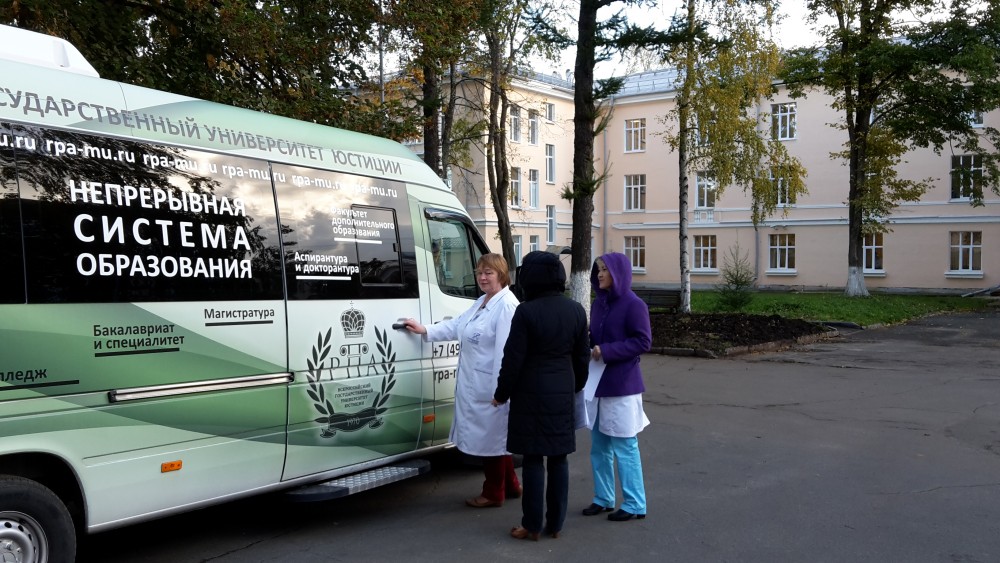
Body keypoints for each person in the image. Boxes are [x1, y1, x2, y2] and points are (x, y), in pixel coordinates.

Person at [402, 253, 521, 508]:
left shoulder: (507, 306)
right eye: (479, 272)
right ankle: (511, 485)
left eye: (488, 272)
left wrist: (501, 390)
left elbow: (505, 353)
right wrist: (426, 329)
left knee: (492, 440)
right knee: (495, 438)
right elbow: (458, 325)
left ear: (501, 274)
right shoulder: (482, 301)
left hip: (492, 387)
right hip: (475, 383)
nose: (482, 277)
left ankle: (493, 493)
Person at [492, 251, 589, 541]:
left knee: (533, 460)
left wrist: (501, 393)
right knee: (559, 460)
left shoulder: (526, 311)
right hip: (562, 391)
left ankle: (531, 525)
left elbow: (513, 359)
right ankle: (556, 525)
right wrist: (575, 386)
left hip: (530, 394)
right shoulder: (575, 310)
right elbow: (581, 357)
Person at [582, 252, 652, 522]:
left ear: (618, 273)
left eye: (604, 270)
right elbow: (595, 337)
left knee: (625, 445)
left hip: (623, 384)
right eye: (597, 270)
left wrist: (607, 350)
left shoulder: (634, 304)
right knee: (599, 446)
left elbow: (643, 342)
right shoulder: (599, 304)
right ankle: (603, 497)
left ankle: (635, 504)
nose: (599, 274)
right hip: (598, 383)